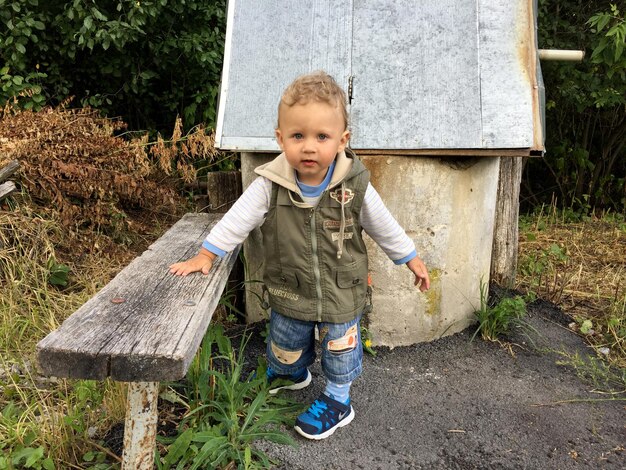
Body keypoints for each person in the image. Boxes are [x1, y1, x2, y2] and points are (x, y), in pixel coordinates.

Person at [169, 70, 430, 440]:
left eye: (321, 136)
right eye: (298, 136)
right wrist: (207, 254)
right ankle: (292, 374)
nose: (309, 146)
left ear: (342, 140)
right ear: (280, 139)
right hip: (290, 285)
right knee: (285, 339)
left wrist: (409, 258)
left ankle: (338, 400)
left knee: (340, 348)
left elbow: (383, 225)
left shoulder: (354, 185)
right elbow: (237, 220)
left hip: (341, 289)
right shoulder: (270, 186)